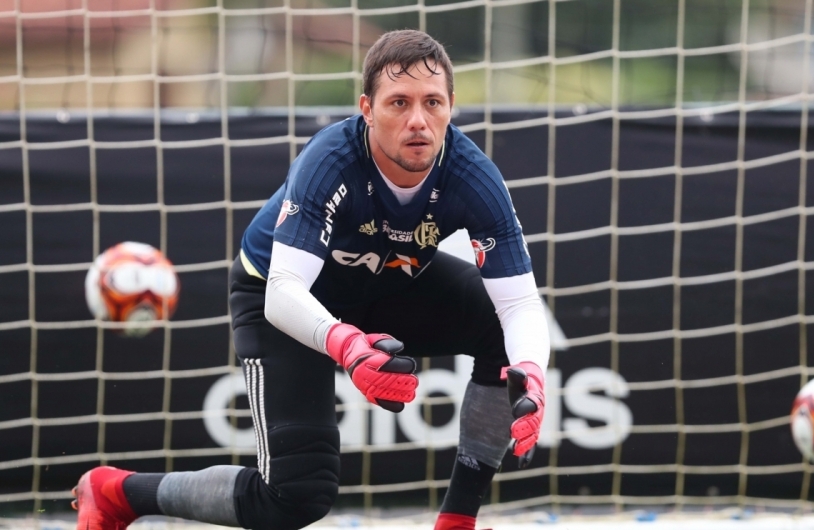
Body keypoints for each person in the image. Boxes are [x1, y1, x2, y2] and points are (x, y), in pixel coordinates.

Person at [71, 29, 549, 530]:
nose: (417, 121)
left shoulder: (473, 175)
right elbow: (283, 292)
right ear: (366, 108)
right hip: (283, 300)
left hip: (386, 285)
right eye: (398, 103)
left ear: (452, 105)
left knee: (502, 332)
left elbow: (519, 305)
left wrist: (533, 374)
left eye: (432, 103)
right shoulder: (331, 160)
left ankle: (457, 521)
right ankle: (118, 492)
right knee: (294, 498)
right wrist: (348, 347)